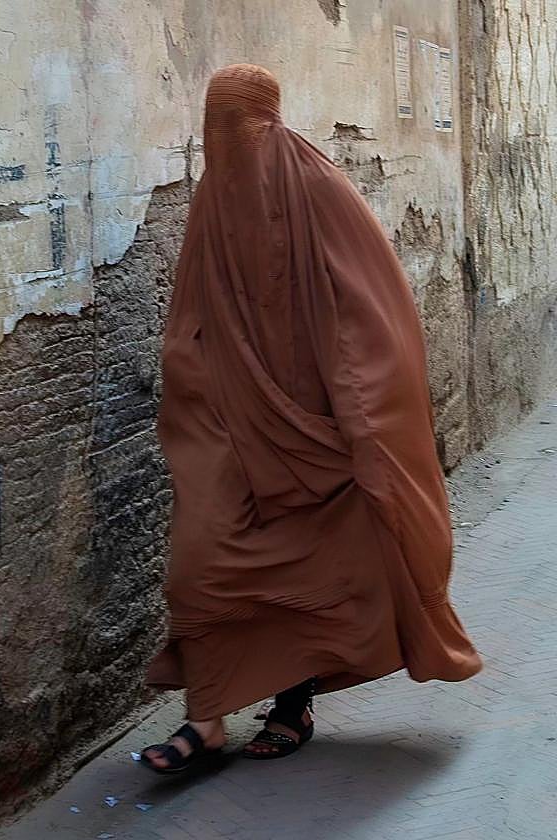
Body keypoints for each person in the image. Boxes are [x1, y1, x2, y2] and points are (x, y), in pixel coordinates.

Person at [140, 64, 482, 772]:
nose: (230, 144)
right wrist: (196, 392)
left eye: (241, 125)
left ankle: (292, 706)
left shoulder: (318, 186)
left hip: (317, 433)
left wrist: (363, 424)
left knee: (315, 570)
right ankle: (203, 720)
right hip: (233, 433)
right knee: (199, 568)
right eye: (217, 129)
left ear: (269, 119)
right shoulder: (214, 201)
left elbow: (371, 311)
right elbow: (190, 318)